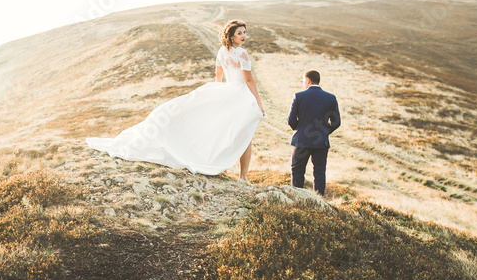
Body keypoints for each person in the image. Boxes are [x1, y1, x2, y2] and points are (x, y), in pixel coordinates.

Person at [86, 20, 266, 180]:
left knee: (221, 131)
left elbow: (218, 76)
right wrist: (258, 102)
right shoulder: (242, 54)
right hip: (239, 94)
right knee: (244, 134)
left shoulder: (222, 51)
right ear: (232, 36)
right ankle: (242, 177)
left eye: (244, 32)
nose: (243, 36)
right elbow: (249, 80)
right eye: (240, 33)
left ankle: (223, 168)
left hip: (226, 92)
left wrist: (216, 93)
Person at [287, 70, 341, 195]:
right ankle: (319, 200)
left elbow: (291, 120)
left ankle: (297, 198)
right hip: (321, 142)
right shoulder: (331, 98)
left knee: (297, 170)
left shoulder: (299, 96)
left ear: (308, 80)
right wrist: (323, 131)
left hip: (301, 140)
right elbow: (336, 122)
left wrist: (299, 129)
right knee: (319, 172)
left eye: (303, 81)